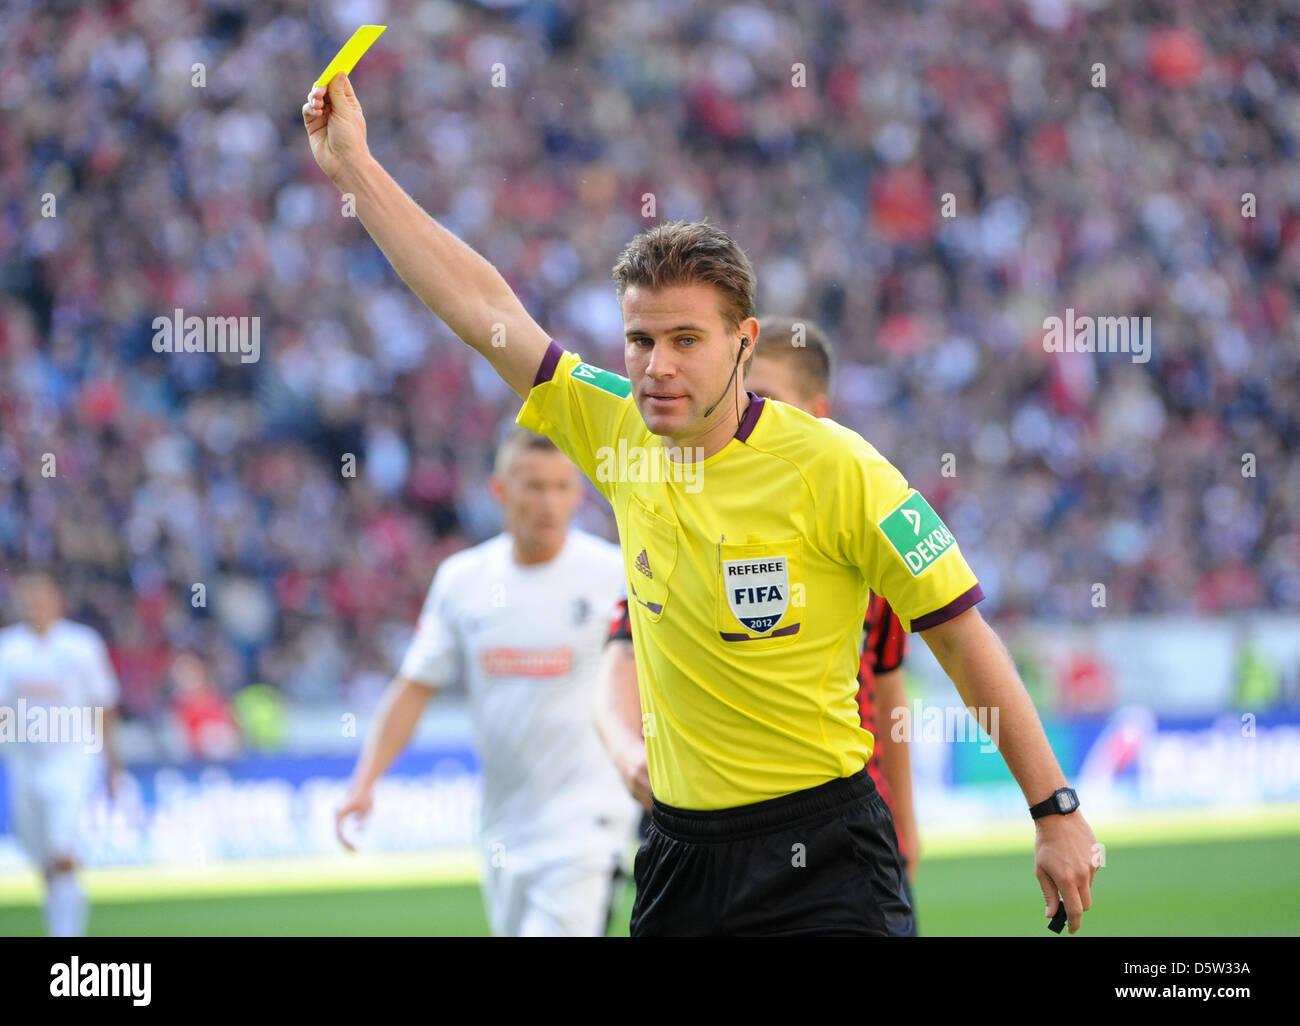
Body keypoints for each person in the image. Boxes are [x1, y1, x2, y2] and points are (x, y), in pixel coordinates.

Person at [303, 74, 1098, 936]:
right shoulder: (613, 431)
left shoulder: (839, 468)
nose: (657, 367)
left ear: (744, 344)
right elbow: (483, 308)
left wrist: (1053, 808)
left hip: (823, 851)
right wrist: (355, 169)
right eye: (641, 341)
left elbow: (959, 633)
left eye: (686, 340)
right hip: (680, 858)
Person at [594, 316, 925, 932]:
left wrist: (906, 824)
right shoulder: (675, 533)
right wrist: (625, 751)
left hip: (838, 827)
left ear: (816, 410)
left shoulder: (857, 525)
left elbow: (889, 689)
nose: (744, 408)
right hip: (695, 823)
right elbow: (619, 659)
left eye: (764, 396)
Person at [334, 427, 637, 936]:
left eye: (562, 487)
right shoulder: (463, 580)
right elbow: (414, 687)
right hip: (503, 829)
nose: (548, 502)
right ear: (500, 490)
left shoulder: (614, 574)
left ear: (579, 493)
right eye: (533, 486)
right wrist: (363, 784)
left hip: (590, 825)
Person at [0, 570, 122, 937]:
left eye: (41, 597)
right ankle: (61, 922)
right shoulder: (9, 648)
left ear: (58, 601)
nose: (34, 605)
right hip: (24, 762)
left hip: (72, 759)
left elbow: (103, 705)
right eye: (28, 598)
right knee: (42, 857)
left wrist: (112, 763)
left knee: (62, 850)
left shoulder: (81, 646)